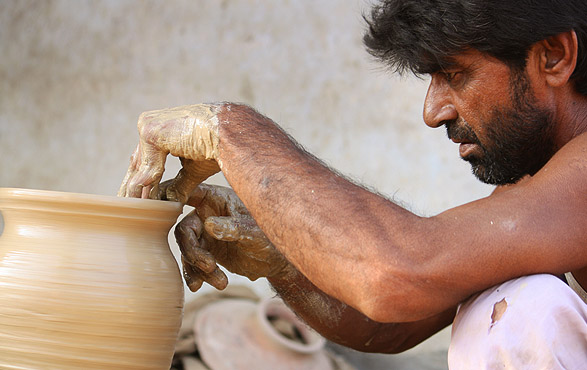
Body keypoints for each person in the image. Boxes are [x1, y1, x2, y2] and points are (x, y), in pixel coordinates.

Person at [118, 0, 587, 368]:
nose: (433, 111)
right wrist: (284, 257)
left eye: (454, 74)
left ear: (553, 57)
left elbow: (396, 275)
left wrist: (228, 130)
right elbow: (394, 320)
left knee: (522, 312)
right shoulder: (544, 186)